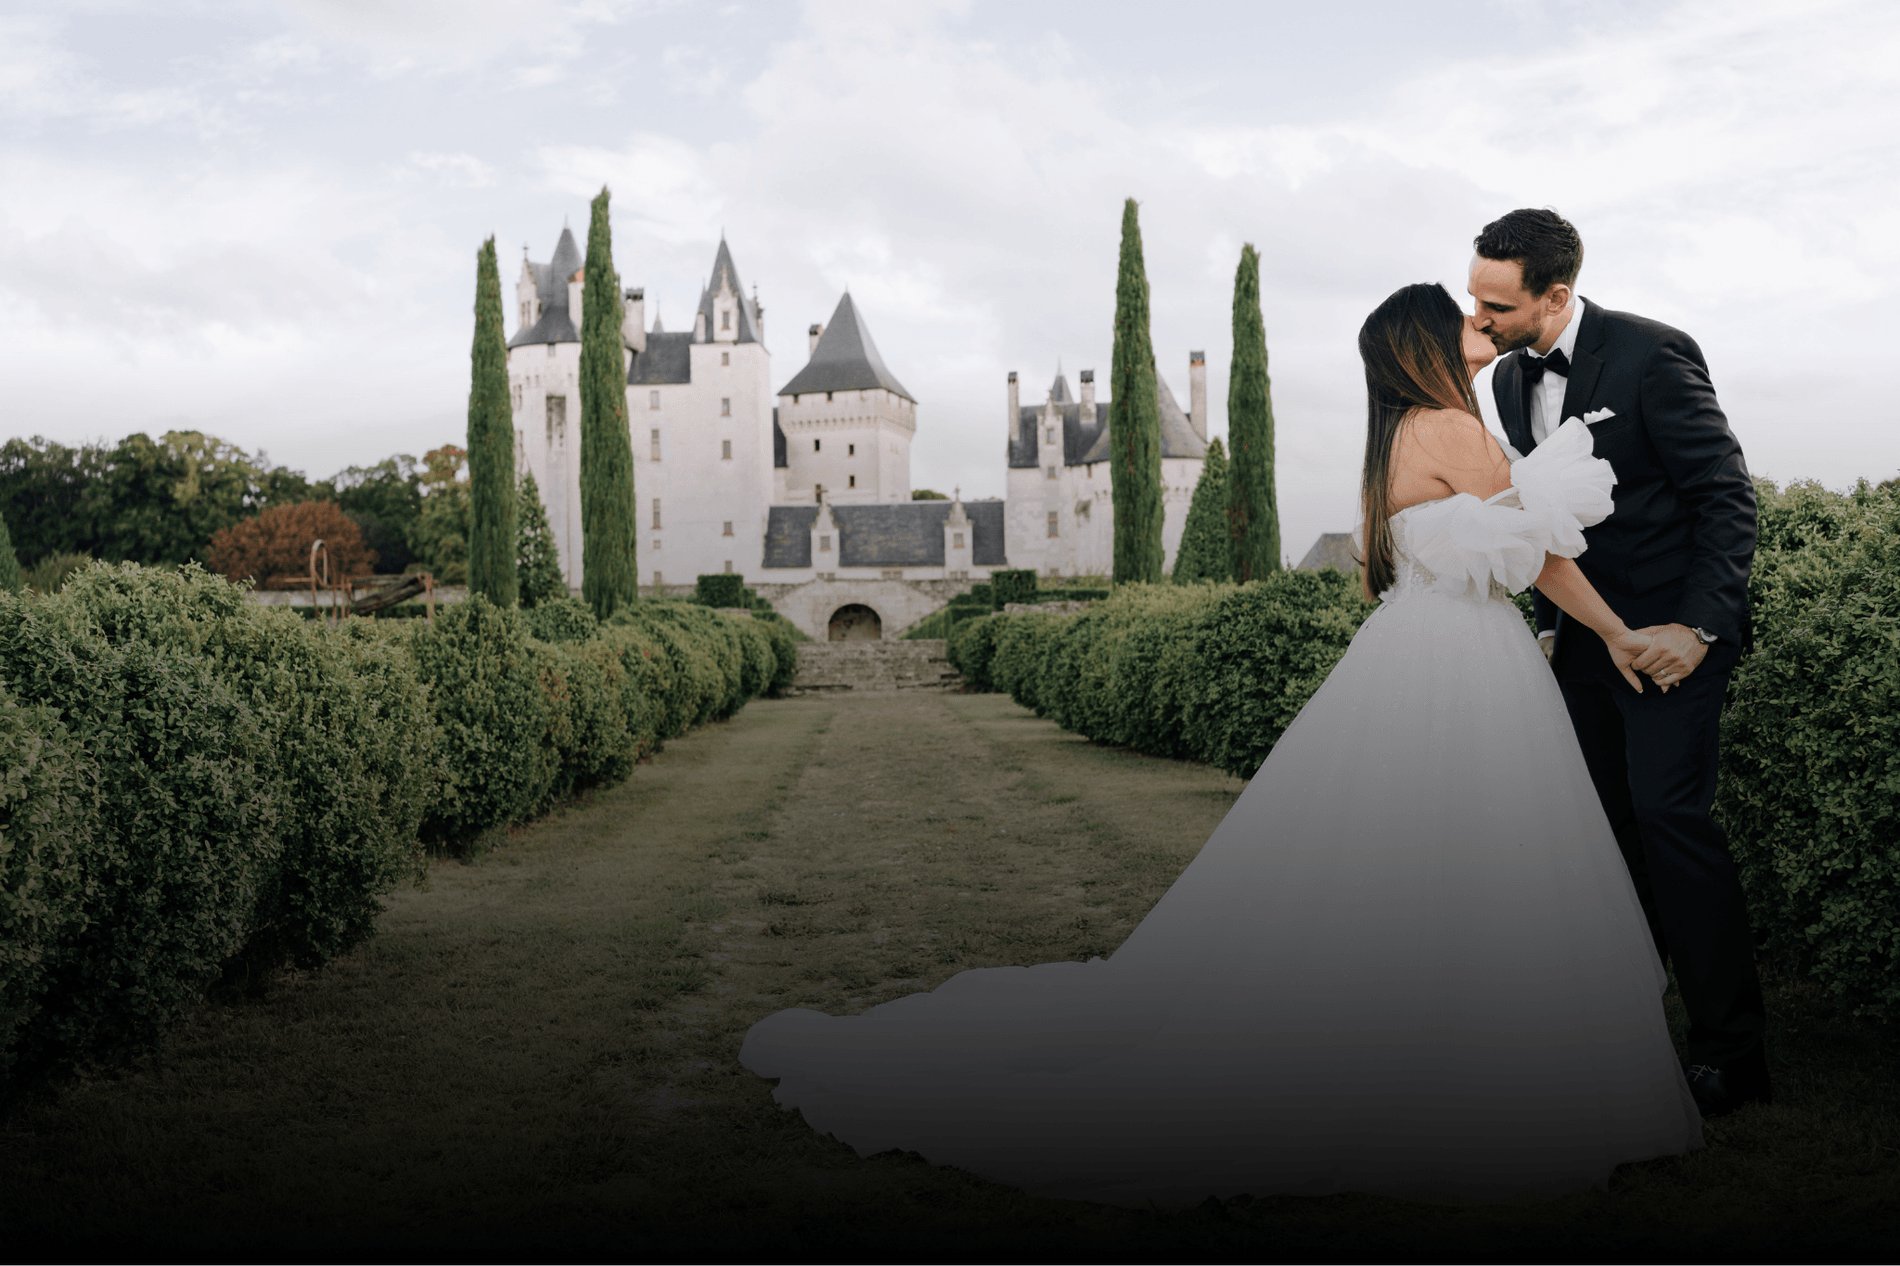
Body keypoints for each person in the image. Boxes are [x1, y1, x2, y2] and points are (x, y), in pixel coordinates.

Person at [740, 282, 1703, 1209]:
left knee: (1401, 847)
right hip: (1466, 657)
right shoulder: (1451, 428)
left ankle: (1414, 1025)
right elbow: (1539, 553)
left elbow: (1386, 574)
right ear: (1423, 343)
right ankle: (1484, 1057)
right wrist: (1616, 632)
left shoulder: (1389, 444)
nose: (1474, 324)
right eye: (1457, 318)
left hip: (1410, 645)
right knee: (1482, 844)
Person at [1470, 208, 1767, 1117]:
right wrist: (1559, 626)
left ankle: (1733, 1055)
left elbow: (1725, 495)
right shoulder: (1510, 380)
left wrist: (1698, 629)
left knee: (1673, 825)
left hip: (1669, 645)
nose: (1478, 319)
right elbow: (1539, 515)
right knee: (1601, 836)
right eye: (1474, 298)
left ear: (1556, 296)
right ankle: (1628, 1029)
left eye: (1497, 305)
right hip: (1587, 646)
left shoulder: (1652, 353)